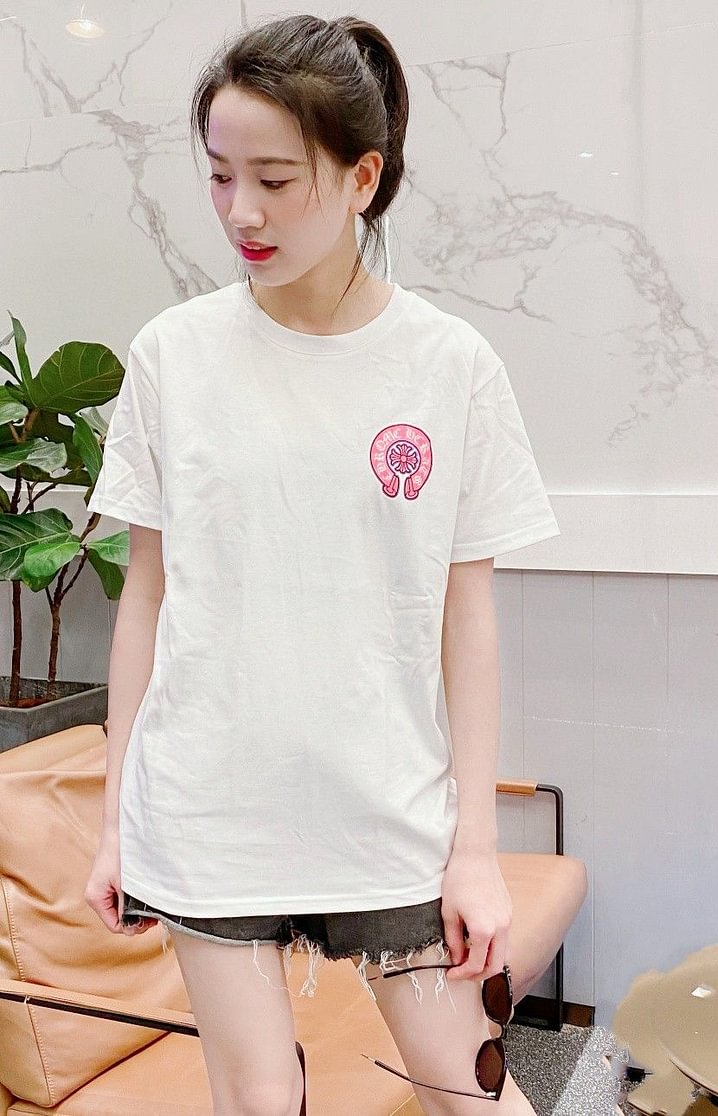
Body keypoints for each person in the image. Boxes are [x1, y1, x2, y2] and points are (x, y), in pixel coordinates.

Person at [84, 13, 560, 1116]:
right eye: (219, 175)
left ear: (362, 178)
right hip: (208, 815)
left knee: (472, 1091)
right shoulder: (173, 358)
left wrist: (475, 849)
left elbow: (466, 618)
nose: (240, 213)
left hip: (390, 815)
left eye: (275, 180)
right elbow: (146, 597)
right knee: (260, 1101)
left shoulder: (451, 367)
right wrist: (115, 826)